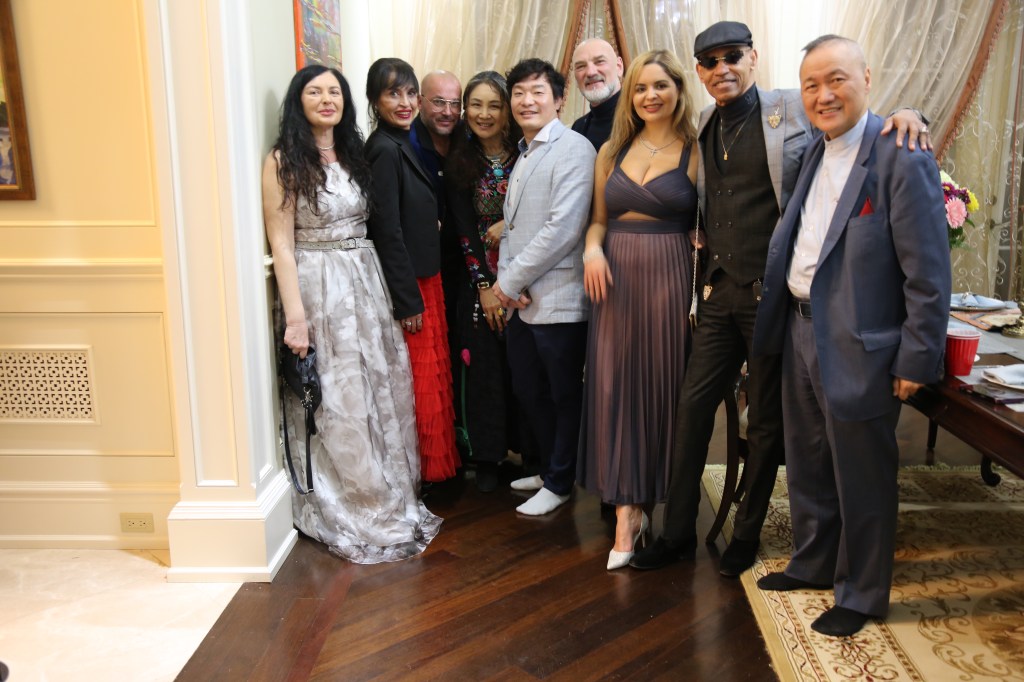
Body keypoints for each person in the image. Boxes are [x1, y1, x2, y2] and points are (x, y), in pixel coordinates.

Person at [631, 21, 928, 576]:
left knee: (766, 421)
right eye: (710, 61)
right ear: (699, 72)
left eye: (732, 56)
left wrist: (911, 114)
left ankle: (746, 536)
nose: (722, 68)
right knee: (692, 409)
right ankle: (676, 533)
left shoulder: (795, 106)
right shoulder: (703, 122)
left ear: (752, 57)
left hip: (772, 298)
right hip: (718, 291)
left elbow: (853, 117)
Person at [751, 35, 951, 637]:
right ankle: (813, 562)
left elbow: (928, 271)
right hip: (799, 328)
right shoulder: (813, 149)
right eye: (811, 85)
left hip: (860, 344)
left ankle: (861, 593)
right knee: (808, 460)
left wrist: (917, 357)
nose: (823, 94)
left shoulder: (901, 154)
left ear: (866, 77)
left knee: (862, 474)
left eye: (836, 79)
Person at [262, 64, 441, 563]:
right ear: (298, 102)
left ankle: (390, 493)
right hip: (319, 286)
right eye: (315, 92)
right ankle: (356, 501)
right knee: (338, 396)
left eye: (334, 92)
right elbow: (282, 244)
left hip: (366, 280)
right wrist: (296, 319)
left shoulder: (355, 154)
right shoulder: (283, 161)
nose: (326, 99)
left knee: (377, 388)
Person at [578, 50, 699, 570]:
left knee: (660, 389)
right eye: (642, 87)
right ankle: (626, 511)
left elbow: (715, 215)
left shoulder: (697, 148)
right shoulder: (611, 150)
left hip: (669, 277)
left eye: (661, 86)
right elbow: (598, 221)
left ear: (678, 90)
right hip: (613, 279)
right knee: (615, 388)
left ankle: (645, 505)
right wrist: (591, 250)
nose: (651, 95)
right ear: (630, 94)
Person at [493, 58, 596, 516]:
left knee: (562, 394)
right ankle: (549, 468)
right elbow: (512, 229)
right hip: (522, 300)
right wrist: (508, 285)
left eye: (538, 92)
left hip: (559, 299)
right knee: (529, 389)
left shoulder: (574, 149)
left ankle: (560, 481)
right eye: (519, 92)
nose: (527, 100)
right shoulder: (525, 151)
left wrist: (509, 281)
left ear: (559, 99)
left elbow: (563, 229)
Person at [364, 58, 460, 483]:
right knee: (418, 382)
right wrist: (407, 301)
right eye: (392, 94)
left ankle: (430, 474)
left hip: (426, 277)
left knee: (431, 378)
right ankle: (421, 475)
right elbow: (385, 230)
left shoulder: (402, 141)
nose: (404, 103)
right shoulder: (384, 149)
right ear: (375, 100)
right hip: (412, 286)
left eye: (408, 93)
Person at [444, 71, 530, 492]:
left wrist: (506, 224)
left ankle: (530, 453)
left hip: (526, 277)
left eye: (494, 105)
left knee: (524, 368)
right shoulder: (460, 160)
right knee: (484, 370)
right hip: (479, 281)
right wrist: (484, 287)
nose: (484, 114)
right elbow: (463, 229)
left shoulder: (525, 154)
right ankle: (487, 457)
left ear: (507, 110)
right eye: (475, 105)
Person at [410, 71, 466, 455]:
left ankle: (465, 440)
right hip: (424, 272)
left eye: (454, 103)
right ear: (420, 101)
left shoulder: (466, 140)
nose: (448, 111)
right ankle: (435, 449)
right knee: (430, 365)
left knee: (463, 353)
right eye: (438, 102)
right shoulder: (406, 144)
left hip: (466, 267)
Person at [571, 38, 625, 150]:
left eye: (600, 62)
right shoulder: (578, 129)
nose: (591, 72)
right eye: (581, 66)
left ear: (619, 67)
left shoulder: (641, 118)